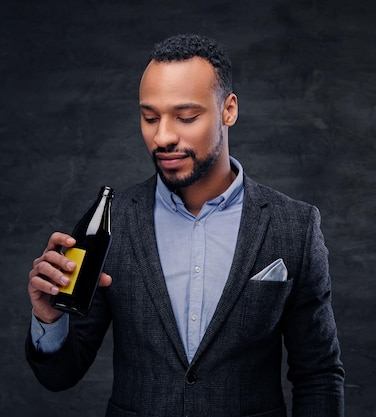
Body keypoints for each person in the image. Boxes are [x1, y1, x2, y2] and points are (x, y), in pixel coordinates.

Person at [26, 33, 345, 417]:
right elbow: (60, 375)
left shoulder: (295, 226)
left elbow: (318, 375)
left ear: (228, 110)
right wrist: (50, 319)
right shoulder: (112, 223)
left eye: (186, 117)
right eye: (149, 117)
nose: (163, 136)